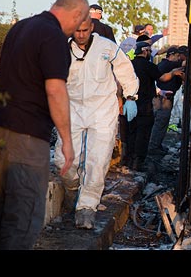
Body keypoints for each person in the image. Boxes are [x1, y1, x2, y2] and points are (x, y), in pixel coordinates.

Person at [0, 0, 89, 250]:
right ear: (77, 14)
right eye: (79, 23)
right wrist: (67, 140)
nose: (78, 30)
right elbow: (55, 90)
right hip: (27, 138)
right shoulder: (53, 37)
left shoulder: (20, 28)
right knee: (22, 219)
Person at [53, 13, 139, 230]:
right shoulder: (61, 50)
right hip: (72, 109)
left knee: (97, 161)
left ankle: (87, 208)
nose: (81, 35)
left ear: (91, 27)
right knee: (64, 161)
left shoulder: (107, 47)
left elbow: (125, 68)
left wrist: (130, 96)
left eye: (85, 30)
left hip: (102, 110)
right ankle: (73, 191)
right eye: (77, 31)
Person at [128, 41, 184, 171]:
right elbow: (162, 78)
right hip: (144, 104)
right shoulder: (148, 65)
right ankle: (138, 161)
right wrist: (174, 72)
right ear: (145, 51)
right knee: (143, 132)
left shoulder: (129, 64)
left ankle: (130, 159)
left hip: (130, 103)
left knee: (132, 131)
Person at [147, 46, 186, 159]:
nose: (178, 58)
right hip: (163, 99)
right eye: (177, 56)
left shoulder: (168, 65)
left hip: (165, 98)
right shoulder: (166, 65)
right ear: (171, 55)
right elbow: (162, 78)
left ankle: (156, 145)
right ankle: (153, 147)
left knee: (162, 123)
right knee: (160, 122)